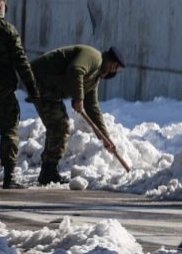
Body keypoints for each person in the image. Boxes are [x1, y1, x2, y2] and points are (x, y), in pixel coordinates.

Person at [29, 45, 126, 185]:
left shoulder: (94, 78)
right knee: (60, 126)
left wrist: (105, 138)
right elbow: (76, 69)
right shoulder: (94, 57)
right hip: (39, 79)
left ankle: (48, 171)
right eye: (116, 68)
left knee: (58, 126)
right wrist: (79, 97)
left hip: (47, 87)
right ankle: (48, 172)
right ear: (112, 64)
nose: (114, 71)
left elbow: (92, 107)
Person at [0, 0, 40, 189]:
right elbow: (21, 61)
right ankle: (9, 176)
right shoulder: (7, 30)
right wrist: (32, 88)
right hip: (2, 88)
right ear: (0, 6)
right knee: (9, 130)